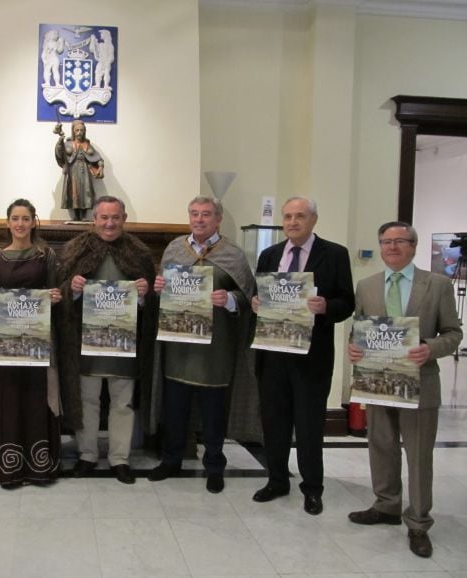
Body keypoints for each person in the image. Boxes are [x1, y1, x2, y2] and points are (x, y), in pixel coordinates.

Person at [347, 221, 461, 558]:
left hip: (420, 383)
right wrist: (353, 347)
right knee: (381, 446)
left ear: (413, 245)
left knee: (418, 455)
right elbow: (359, 329)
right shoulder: (367, 286)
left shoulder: (437, 285)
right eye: (386, 241)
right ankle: (386, 505)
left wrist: (430, 347)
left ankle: (418, 522)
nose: (392, 247)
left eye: (400, 241)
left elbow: (454, 333)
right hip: (378, 381)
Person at [252, 196, 354, 515]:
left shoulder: (334, 254)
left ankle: (312, 488)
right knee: (275, 422)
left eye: (300, 216)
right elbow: (260, 293)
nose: (293, 222)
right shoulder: (269, 255)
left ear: (313, 220)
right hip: (273, 353)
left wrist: (326, 307)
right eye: (288, 217)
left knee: (309, 425)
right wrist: (257, 303)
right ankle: (277, 480)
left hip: (312, 355)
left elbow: (346, 301)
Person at [148, 196, 255, 493]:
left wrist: (229, 299)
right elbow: (164, 296)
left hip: (215, 349)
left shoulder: (232, 253)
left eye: (206, 214)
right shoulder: (174, 249)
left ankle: (214, 466)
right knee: (174, 409)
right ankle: (171, 460)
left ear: (218, 219)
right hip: (179, 347)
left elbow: (248, 295)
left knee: (214, 413)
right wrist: (159, 289)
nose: (199, 219)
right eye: (194, 214)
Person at [57, 195, 156, 484]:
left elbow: (153, 300)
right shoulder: (75, 250)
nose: (109, 223)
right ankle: (87, 455)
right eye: (103, 217)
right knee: (86, 400)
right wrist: (72, 288)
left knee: (122, 402)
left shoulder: (139, 253)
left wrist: (143, 293)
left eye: (115, 218)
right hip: (83, 342)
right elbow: (58, 290)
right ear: (94, 219)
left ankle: (119, 458)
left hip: (124, 342)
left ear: (124, 219)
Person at [0, 199, 63, 487]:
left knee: (35, 398)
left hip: (37, 340)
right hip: (4, 340)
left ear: (33, 221)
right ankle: (8, 467)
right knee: (8, 398)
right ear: (7, 223)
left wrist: (55, 297)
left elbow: (56, 293)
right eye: (15, 218)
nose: (20, 224)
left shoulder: (47, 255)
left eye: (25, 218)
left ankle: (38, 467)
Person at [54, 119, 104, 222]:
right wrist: (60, 140)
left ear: (84, 131)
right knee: (74, 191)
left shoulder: (87, 145)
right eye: (77, 130)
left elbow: (98, 158)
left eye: (81, 130)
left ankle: (84, 215)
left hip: (85, 171)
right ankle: (76, 215)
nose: (79, 133)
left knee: (86, 191)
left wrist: (101, 166)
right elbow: (60, 152)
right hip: (72, 171)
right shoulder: (68, 144)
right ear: (73, 131)